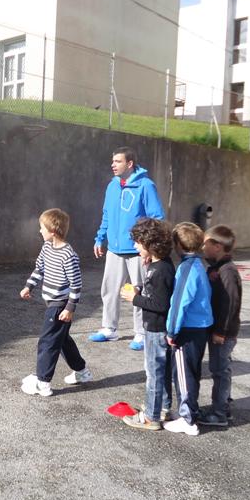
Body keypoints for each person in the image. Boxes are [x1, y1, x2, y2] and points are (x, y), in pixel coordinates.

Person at [90, 146, 165, 350]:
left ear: (129, 163)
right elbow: (106, 214)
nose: (113, 165)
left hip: (138, 251)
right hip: (114, 250)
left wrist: (149, 248)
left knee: (141, 292)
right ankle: (109, 328)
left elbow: (157, 218)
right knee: (109, 290)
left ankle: (141, 333)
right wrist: (99, 238)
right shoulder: (112, 186)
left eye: (118, 161)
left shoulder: (146, 185)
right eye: (113, 161)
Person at [20, 208, 93, 397]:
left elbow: (76, 284)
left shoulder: (68, 255)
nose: (39, 231)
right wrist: (29, 286)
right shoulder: (47, 247)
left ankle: (43, 383)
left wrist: (70, 308)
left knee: (48, 342)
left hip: (60, 305)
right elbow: (39, 269)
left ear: (53, 231)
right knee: (62, 340)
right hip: (52, 302)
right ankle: (82, 372)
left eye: (42, 228)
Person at [119, 218, 176, 430]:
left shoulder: (161, 270)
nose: (135, 246)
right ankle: (162, 408)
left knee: (154, 373)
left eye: (138, 243)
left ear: (150, 244)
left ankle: (151, 416)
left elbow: (160, 304)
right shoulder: (158, 264)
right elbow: (155, 292)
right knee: (161, 371)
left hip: (156, 328)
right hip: (157, 328)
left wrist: (135, 299)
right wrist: (139, 289)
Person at [162, 222, 213, 437]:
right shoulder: (198, 265)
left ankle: (188, 419)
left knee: (184, 375)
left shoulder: (186, 268)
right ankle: (191, 410)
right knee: (192, 372)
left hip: (187, 329)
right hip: (200, 327)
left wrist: (171, 331)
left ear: (179, 245)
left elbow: (179, 303)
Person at [199, 225, 242, 427]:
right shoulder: (217, 268)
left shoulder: (228, 271)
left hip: (223, 332)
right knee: (220, 368)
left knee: (220, 370)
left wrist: (220, 331)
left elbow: (230, 303)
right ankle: (223, 405)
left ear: (217, 246)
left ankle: (220, 413)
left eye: (205, 244)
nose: (202, 247)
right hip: (218, 330)